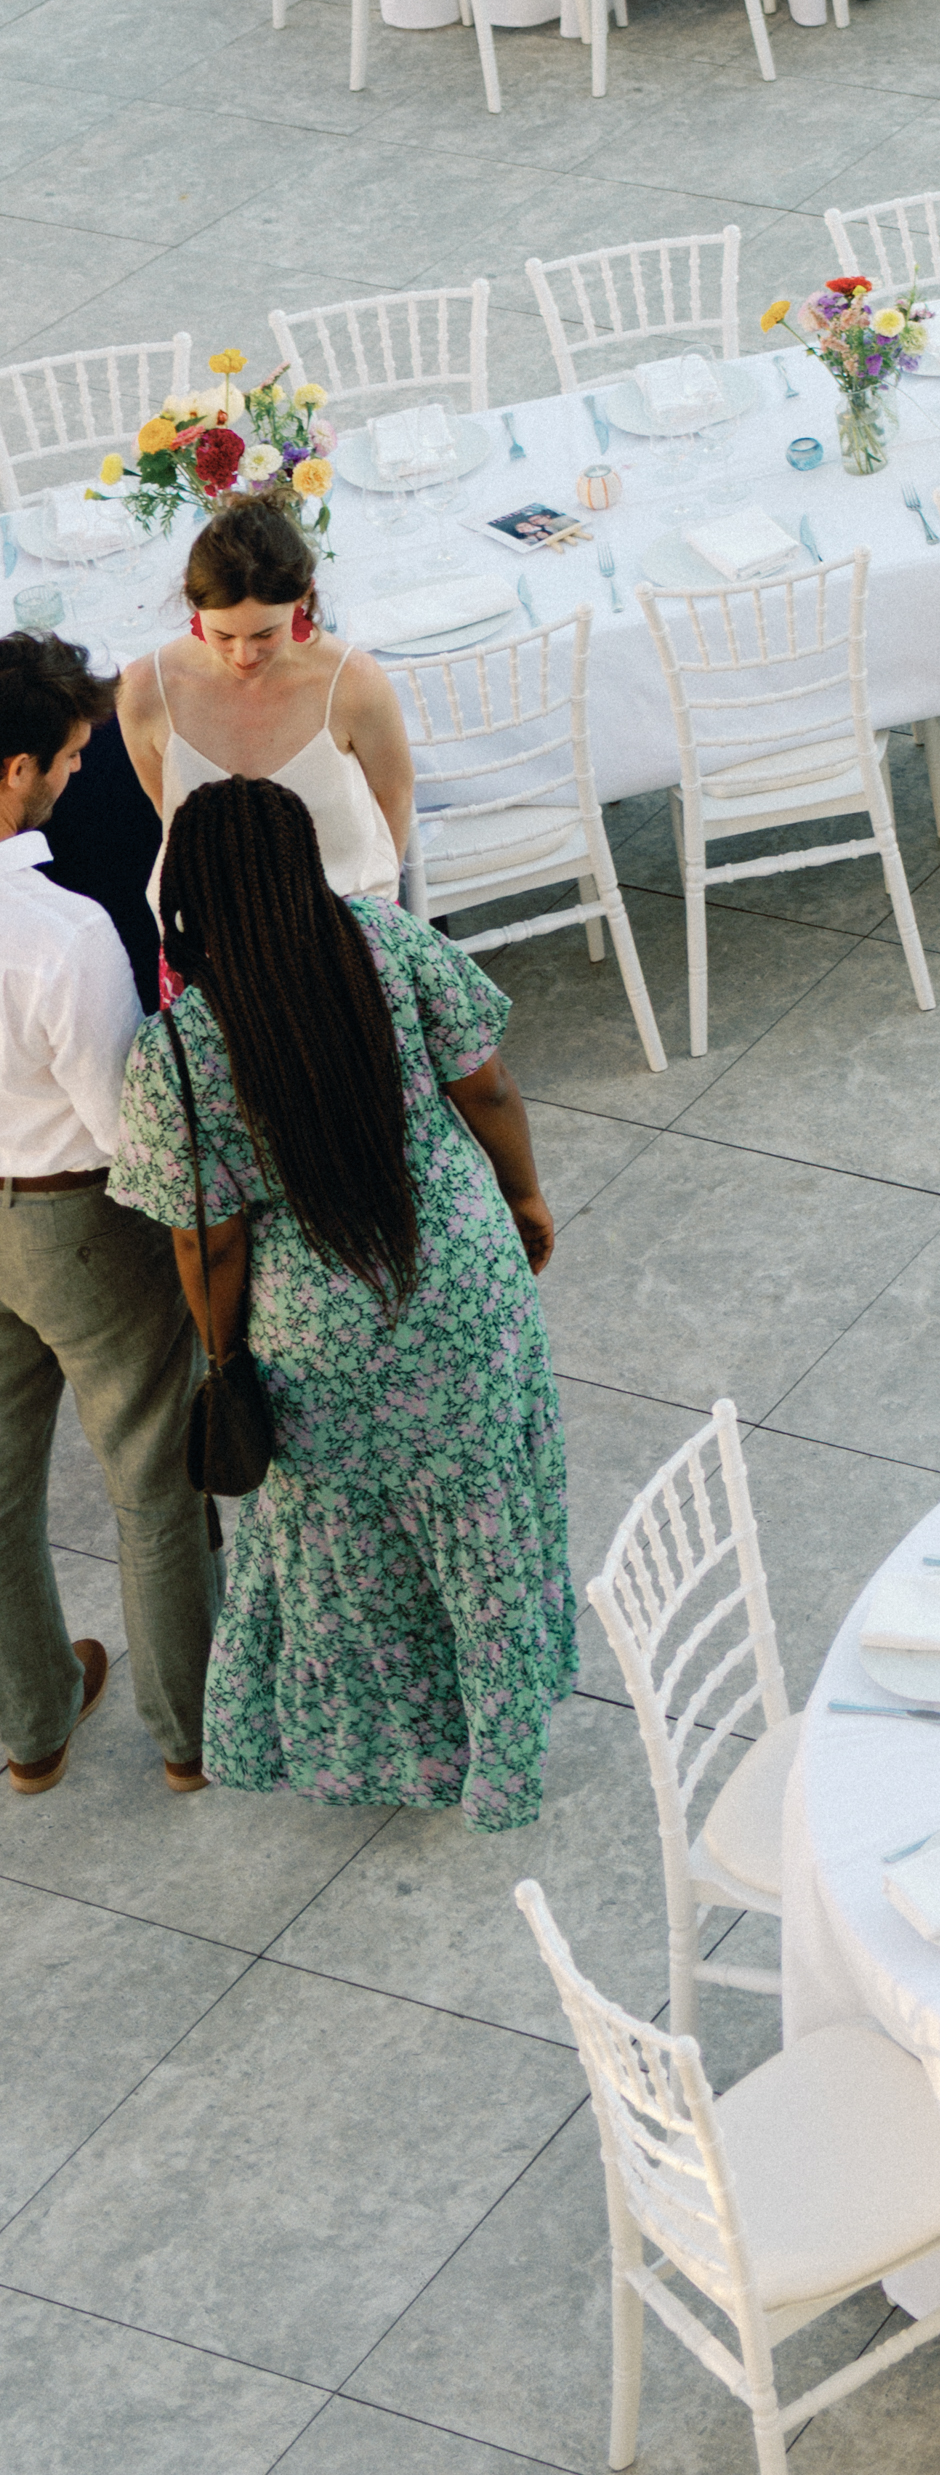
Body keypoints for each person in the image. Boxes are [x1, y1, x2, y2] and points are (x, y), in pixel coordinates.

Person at [108, 776, 571, 1828]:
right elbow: (487, 1087)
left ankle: (404, 1753)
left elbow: (207, 1241)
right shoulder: (389, 944)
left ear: (185, 894)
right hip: (457, 1275)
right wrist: (524, 1196)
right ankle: (503, 1735)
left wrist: (222, 1354)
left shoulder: (181, 1049)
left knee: (349, 1549)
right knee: (482, 1505)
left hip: (322, 1342)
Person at [0, 634, 210, 1804]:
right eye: (74, 759)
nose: (82, 777)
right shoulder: (63, 935)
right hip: (71, 1218)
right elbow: (131, 1124)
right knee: (150, 1474)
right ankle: (190, 1732)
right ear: (17, 769)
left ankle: (30, 1726)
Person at [121, 498, 410, 899]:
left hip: (343, 909)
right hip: (213, 922)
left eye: (264, 635)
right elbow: (170, 816)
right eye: (222, 636)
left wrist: (378, 910)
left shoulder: (353, 682)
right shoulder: (142, 691)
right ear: (192, 598)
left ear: (303, 599)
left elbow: (395, 794)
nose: (244, 656)